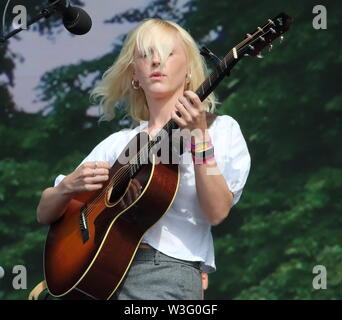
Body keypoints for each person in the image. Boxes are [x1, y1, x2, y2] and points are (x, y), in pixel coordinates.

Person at [36, 18, 251, 300]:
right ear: (134, 74)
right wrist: (67, 187)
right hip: (97, 271)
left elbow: (217, 212)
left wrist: (198, 137)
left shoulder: (218, 129)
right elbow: (45, 213)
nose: (156, 62)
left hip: (164, 274)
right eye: (145, 55)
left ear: (188, 70)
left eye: (168, 53)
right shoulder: (122, 143)